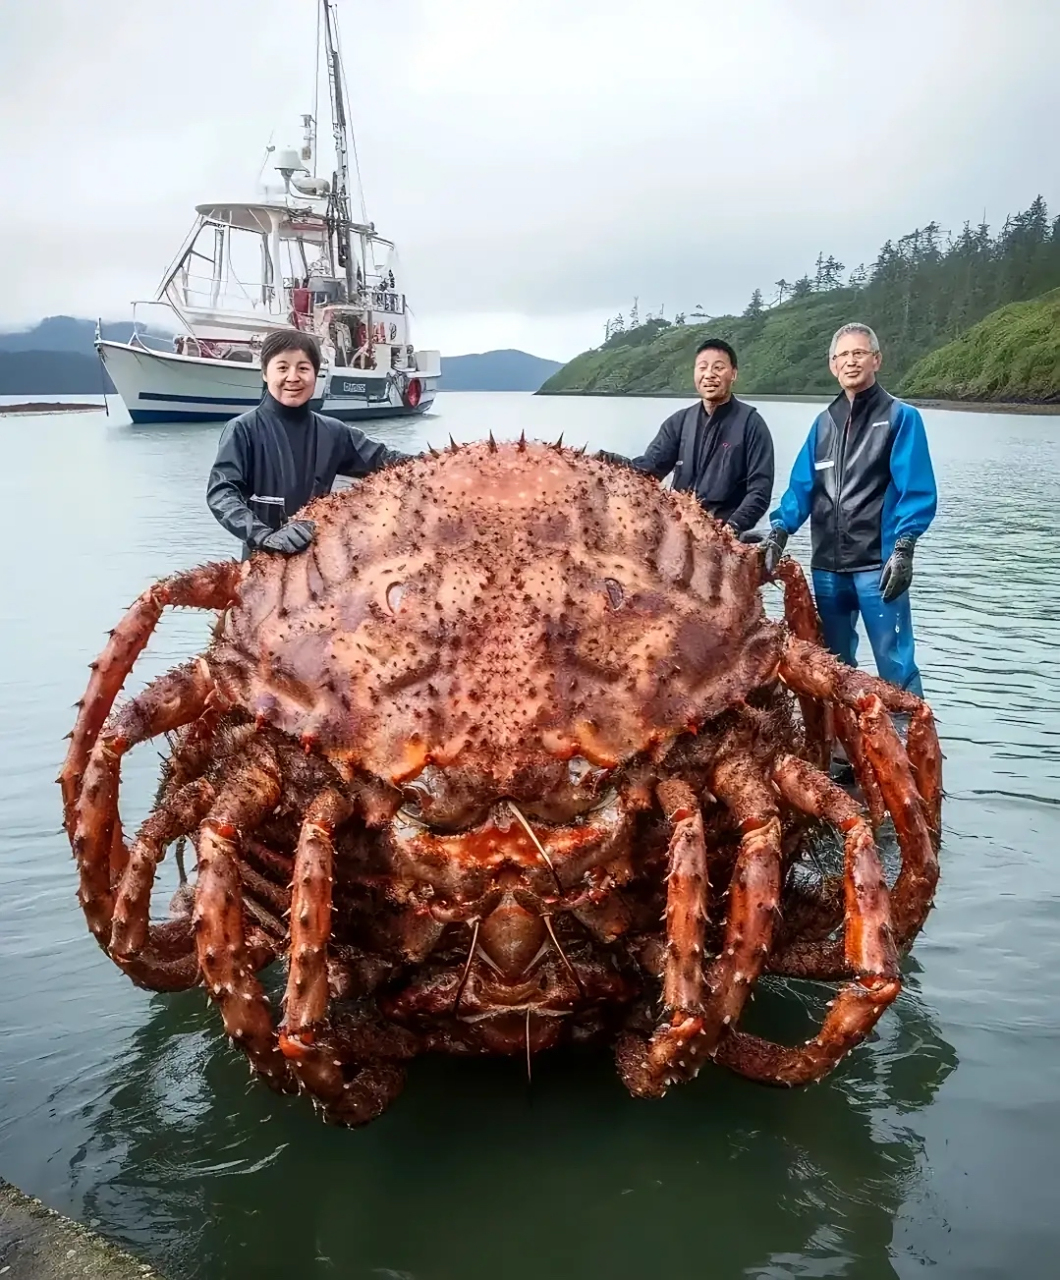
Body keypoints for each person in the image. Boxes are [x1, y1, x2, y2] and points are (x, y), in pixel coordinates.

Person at [761, 322, 937, 696]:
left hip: (878, 566)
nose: (850, 362)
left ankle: (916, 750)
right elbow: (801, 488)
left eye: (858, 353)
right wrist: (778, 532)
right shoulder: (823, 425)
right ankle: (841, 752)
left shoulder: (901, 418)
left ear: (876, 359)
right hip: (827, 567)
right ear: (832, 365)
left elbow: (916, 490)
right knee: (834, 666)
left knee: (896, 663)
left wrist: (904, 549)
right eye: (842, 355)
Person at [206, 329, 412, 558]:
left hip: (318, 561)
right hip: (263, 561)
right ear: (265, 373)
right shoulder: (242, 429)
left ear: (316, 373)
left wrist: (448, 461)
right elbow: (222, 492)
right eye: (282, 368)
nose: (293, 377)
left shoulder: (334, 432)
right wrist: (263, 536)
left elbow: (388, 461)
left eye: (303, 368)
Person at [597, 338, 774, 536]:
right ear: (695, 374)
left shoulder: (752, 424)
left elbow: (760, 491)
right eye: (702, 367)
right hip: (681, 528)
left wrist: (732, 528)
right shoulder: (679, 422)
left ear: (733, 374)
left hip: (727, 534)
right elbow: (647, 470)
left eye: (718, 368)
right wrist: (608, 462)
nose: (709, 375)